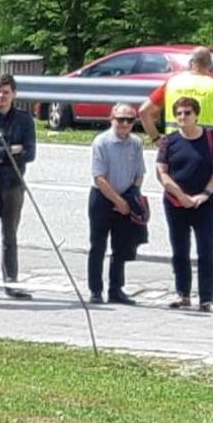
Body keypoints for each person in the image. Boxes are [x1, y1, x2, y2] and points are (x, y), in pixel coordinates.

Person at [139, 48, 213, 257]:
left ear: (190, 63)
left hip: (173, 152)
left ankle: (184, 264)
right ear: (209, 66)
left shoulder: (173, 83)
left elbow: (144, 111)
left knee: (177, 199)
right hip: (206, 151)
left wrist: (157, 139)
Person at [155, 96, 213, 312]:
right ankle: (182, 294)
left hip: (205, 203)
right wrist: (181, 196)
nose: (183, 117)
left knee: (206, 250)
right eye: (179, 114)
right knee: (180, 250)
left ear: (196, 115)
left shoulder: (211, 138)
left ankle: (207, 299)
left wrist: (204, 194)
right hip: (176, 204)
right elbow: (162, 173)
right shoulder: (169, 141)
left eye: (187, 113)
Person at [0, 74, 37, 300]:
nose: (1, 96)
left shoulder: (24, 119)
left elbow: (30, 153)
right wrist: (11, 150)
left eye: (5, 92)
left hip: (13, 184)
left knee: (10, 236)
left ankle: (11, 282)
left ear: (13, 94)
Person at [87, 104, 146, 306]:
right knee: (98, 245)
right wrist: (118, 201)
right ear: (111, 119)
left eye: (129, 120)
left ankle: (116, 289)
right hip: (102, 198)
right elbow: (99, 178)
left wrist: (129, 198)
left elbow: (139, 174)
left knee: (120, 246)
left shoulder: (136, 143)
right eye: (120, 119)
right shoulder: (101, 142)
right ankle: (95, 290)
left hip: (126, 197)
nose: (124, 124)